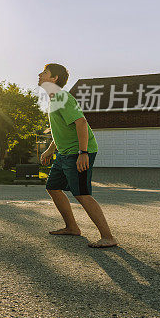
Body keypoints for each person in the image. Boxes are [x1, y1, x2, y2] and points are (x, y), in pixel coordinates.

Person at [38, 63, 117, 248]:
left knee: (81, 193)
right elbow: (62, 130)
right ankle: (72, 227)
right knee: (53, 187)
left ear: (54, 78)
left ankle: (108, 237)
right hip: (65, 153)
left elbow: (81, 123)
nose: (40, 74)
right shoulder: (53, 99)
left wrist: (83, 153)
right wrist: (50, 150)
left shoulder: (61, 97)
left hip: (78, 152)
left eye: (45, 72)